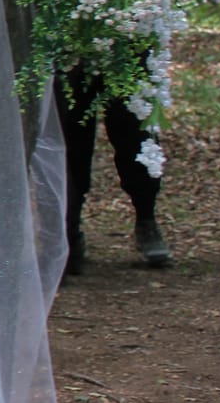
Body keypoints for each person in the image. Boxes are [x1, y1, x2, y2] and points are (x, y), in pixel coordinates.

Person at [58, 65, 169, 272]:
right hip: (70, 53)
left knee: (133, 129)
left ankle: (146, 217)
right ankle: (69, 228)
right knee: (71, 133)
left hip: (126, 53)